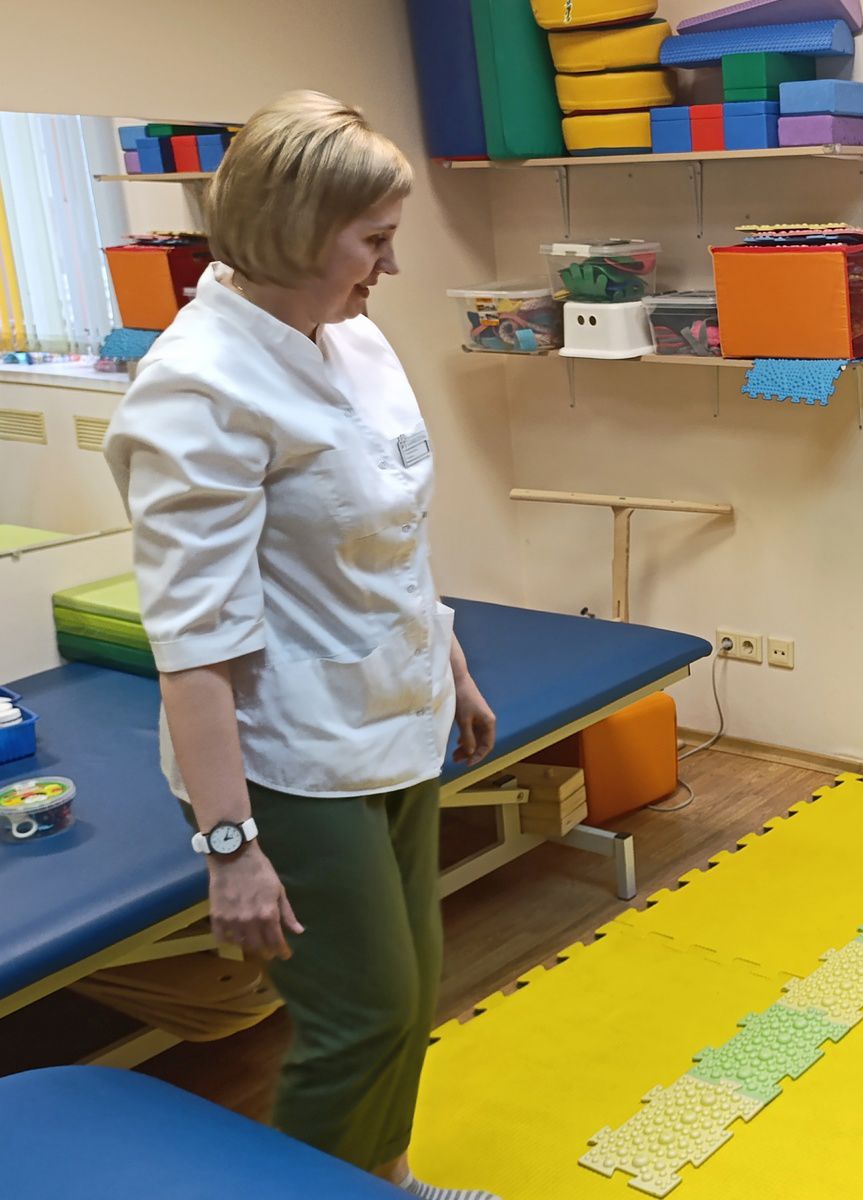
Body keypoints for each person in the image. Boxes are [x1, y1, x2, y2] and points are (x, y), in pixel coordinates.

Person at [104, 91, 499, 1199]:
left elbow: (392, 532)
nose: (391, 265)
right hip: (287, 755)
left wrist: (451, 662)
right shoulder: (198, 389)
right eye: (373, 241)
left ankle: (385, 1178)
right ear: (296, 231)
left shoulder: (354, 338)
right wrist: (230, 847)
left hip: (393, 713)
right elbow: (192, 641)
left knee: (408, 994)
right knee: (359, 1013)